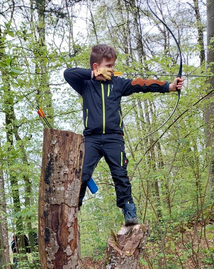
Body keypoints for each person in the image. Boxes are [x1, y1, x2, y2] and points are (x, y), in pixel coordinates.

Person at [64, 43, 184, 225]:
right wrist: (93, 75)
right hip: (92, 139)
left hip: (114, 138)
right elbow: (68, 73)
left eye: (113, 65)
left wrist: (169, 86)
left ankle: (129, 211)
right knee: (82, 174)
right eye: (109, 66)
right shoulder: (85, 84)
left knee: (120, 174)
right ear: (96, 67)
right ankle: (72, 212)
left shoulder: (118, 84)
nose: (113, 69)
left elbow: (141, 84)